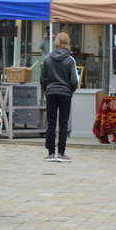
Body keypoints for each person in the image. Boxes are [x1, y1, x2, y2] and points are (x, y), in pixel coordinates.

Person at [40, 32, 78, 162]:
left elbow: (42, 78)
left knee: (51, 123)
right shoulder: (70, 60)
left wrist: (46, 89)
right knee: (63, 123)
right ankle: (61, 153)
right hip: (65, 93)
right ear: (68, 42)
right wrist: (70, 90)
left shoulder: (47, 59)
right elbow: (73, 80)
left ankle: (51, 153)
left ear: (55, 42)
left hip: (51, 92)